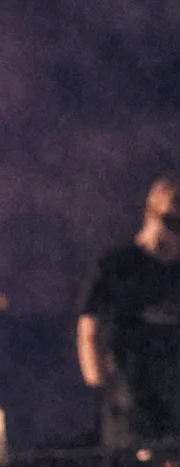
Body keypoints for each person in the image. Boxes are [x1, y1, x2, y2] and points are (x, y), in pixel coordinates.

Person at [77, 176, 180, 448]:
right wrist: (100, 388)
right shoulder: (116, 265)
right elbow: (88, 330)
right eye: (172, 222)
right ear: (150, 215)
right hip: (131, 407)